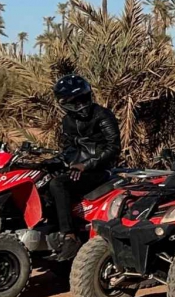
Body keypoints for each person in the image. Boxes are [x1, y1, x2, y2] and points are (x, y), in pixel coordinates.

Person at [49, 74, 121, 241]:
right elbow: (68, 148)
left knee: (58, 184)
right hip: (77, 168)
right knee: (44, 180)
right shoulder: (67, 121)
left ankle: (69, 234)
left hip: (100, 169)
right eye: (75, 101)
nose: (81, 105)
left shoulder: (102, 115)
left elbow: (113, 147)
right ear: (65, 103)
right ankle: (49, 229)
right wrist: (53, 161)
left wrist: (86, 165)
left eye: (83, 98)